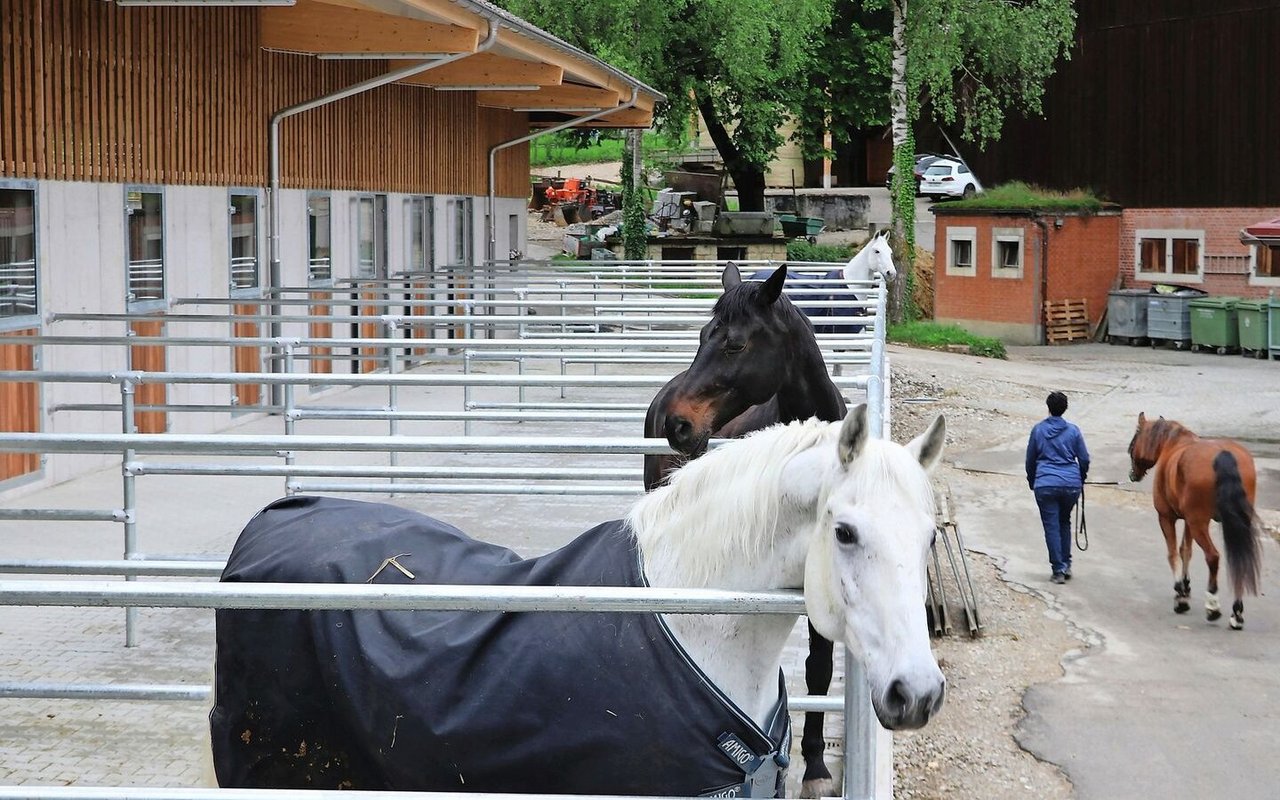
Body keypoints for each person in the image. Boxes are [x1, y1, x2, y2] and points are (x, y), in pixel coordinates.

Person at [1025, 391, 1091, 584]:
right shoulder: (1074, 431)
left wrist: (1032, 480)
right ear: (1065, 408)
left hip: (1045, 483)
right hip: (1071, 485)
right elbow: (1084, 458)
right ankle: (1067, 564)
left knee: (1051, 526)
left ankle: (1058, 570)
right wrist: (1080, 478)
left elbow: (1030, 459)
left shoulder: (1038, 430)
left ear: (1048, 407)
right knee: (1064, 521)